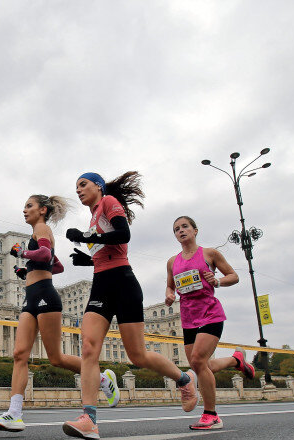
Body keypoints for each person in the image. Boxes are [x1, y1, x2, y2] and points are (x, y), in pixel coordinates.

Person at [62, 172, 198, 439]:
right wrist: (86, 260)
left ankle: (185, 380)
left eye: (83, 184)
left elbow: (124, 235)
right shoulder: (93, 217)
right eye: (76, 187)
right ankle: (89, 419)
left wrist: (86, 236)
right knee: (89, 346)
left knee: (138, 355)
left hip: (124, 284)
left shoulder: (109, 201)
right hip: (101, 284)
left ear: (98, 186)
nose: (78, 190)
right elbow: (107, 250)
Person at [0, 195, 120, 433]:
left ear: (42, 210)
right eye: (24, 206)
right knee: (19, 354)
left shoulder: (42, 227)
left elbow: (46, 255)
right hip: (31, 296)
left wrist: (23, 255)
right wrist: (27, 270)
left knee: (56, 358)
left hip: (46, 296)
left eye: (29, 206)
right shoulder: (38, 232)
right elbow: (56, 265)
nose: (24, 210)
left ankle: (102, 378)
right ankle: (14, 414)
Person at [165, 215, 255, 431]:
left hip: (210, 314)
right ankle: (236, 361)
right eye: (177, 229)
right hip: (188, 318)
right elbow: (170, 287)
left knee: (197, 360)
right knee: (199, 365)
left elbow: (233, 276)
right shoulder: (172, 262)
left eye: (185, 226)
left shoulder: (209, 254)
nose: (181, 231)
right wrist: (169, 295)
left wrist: (218, 281)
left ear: (195, 231)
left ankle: (211, 415)